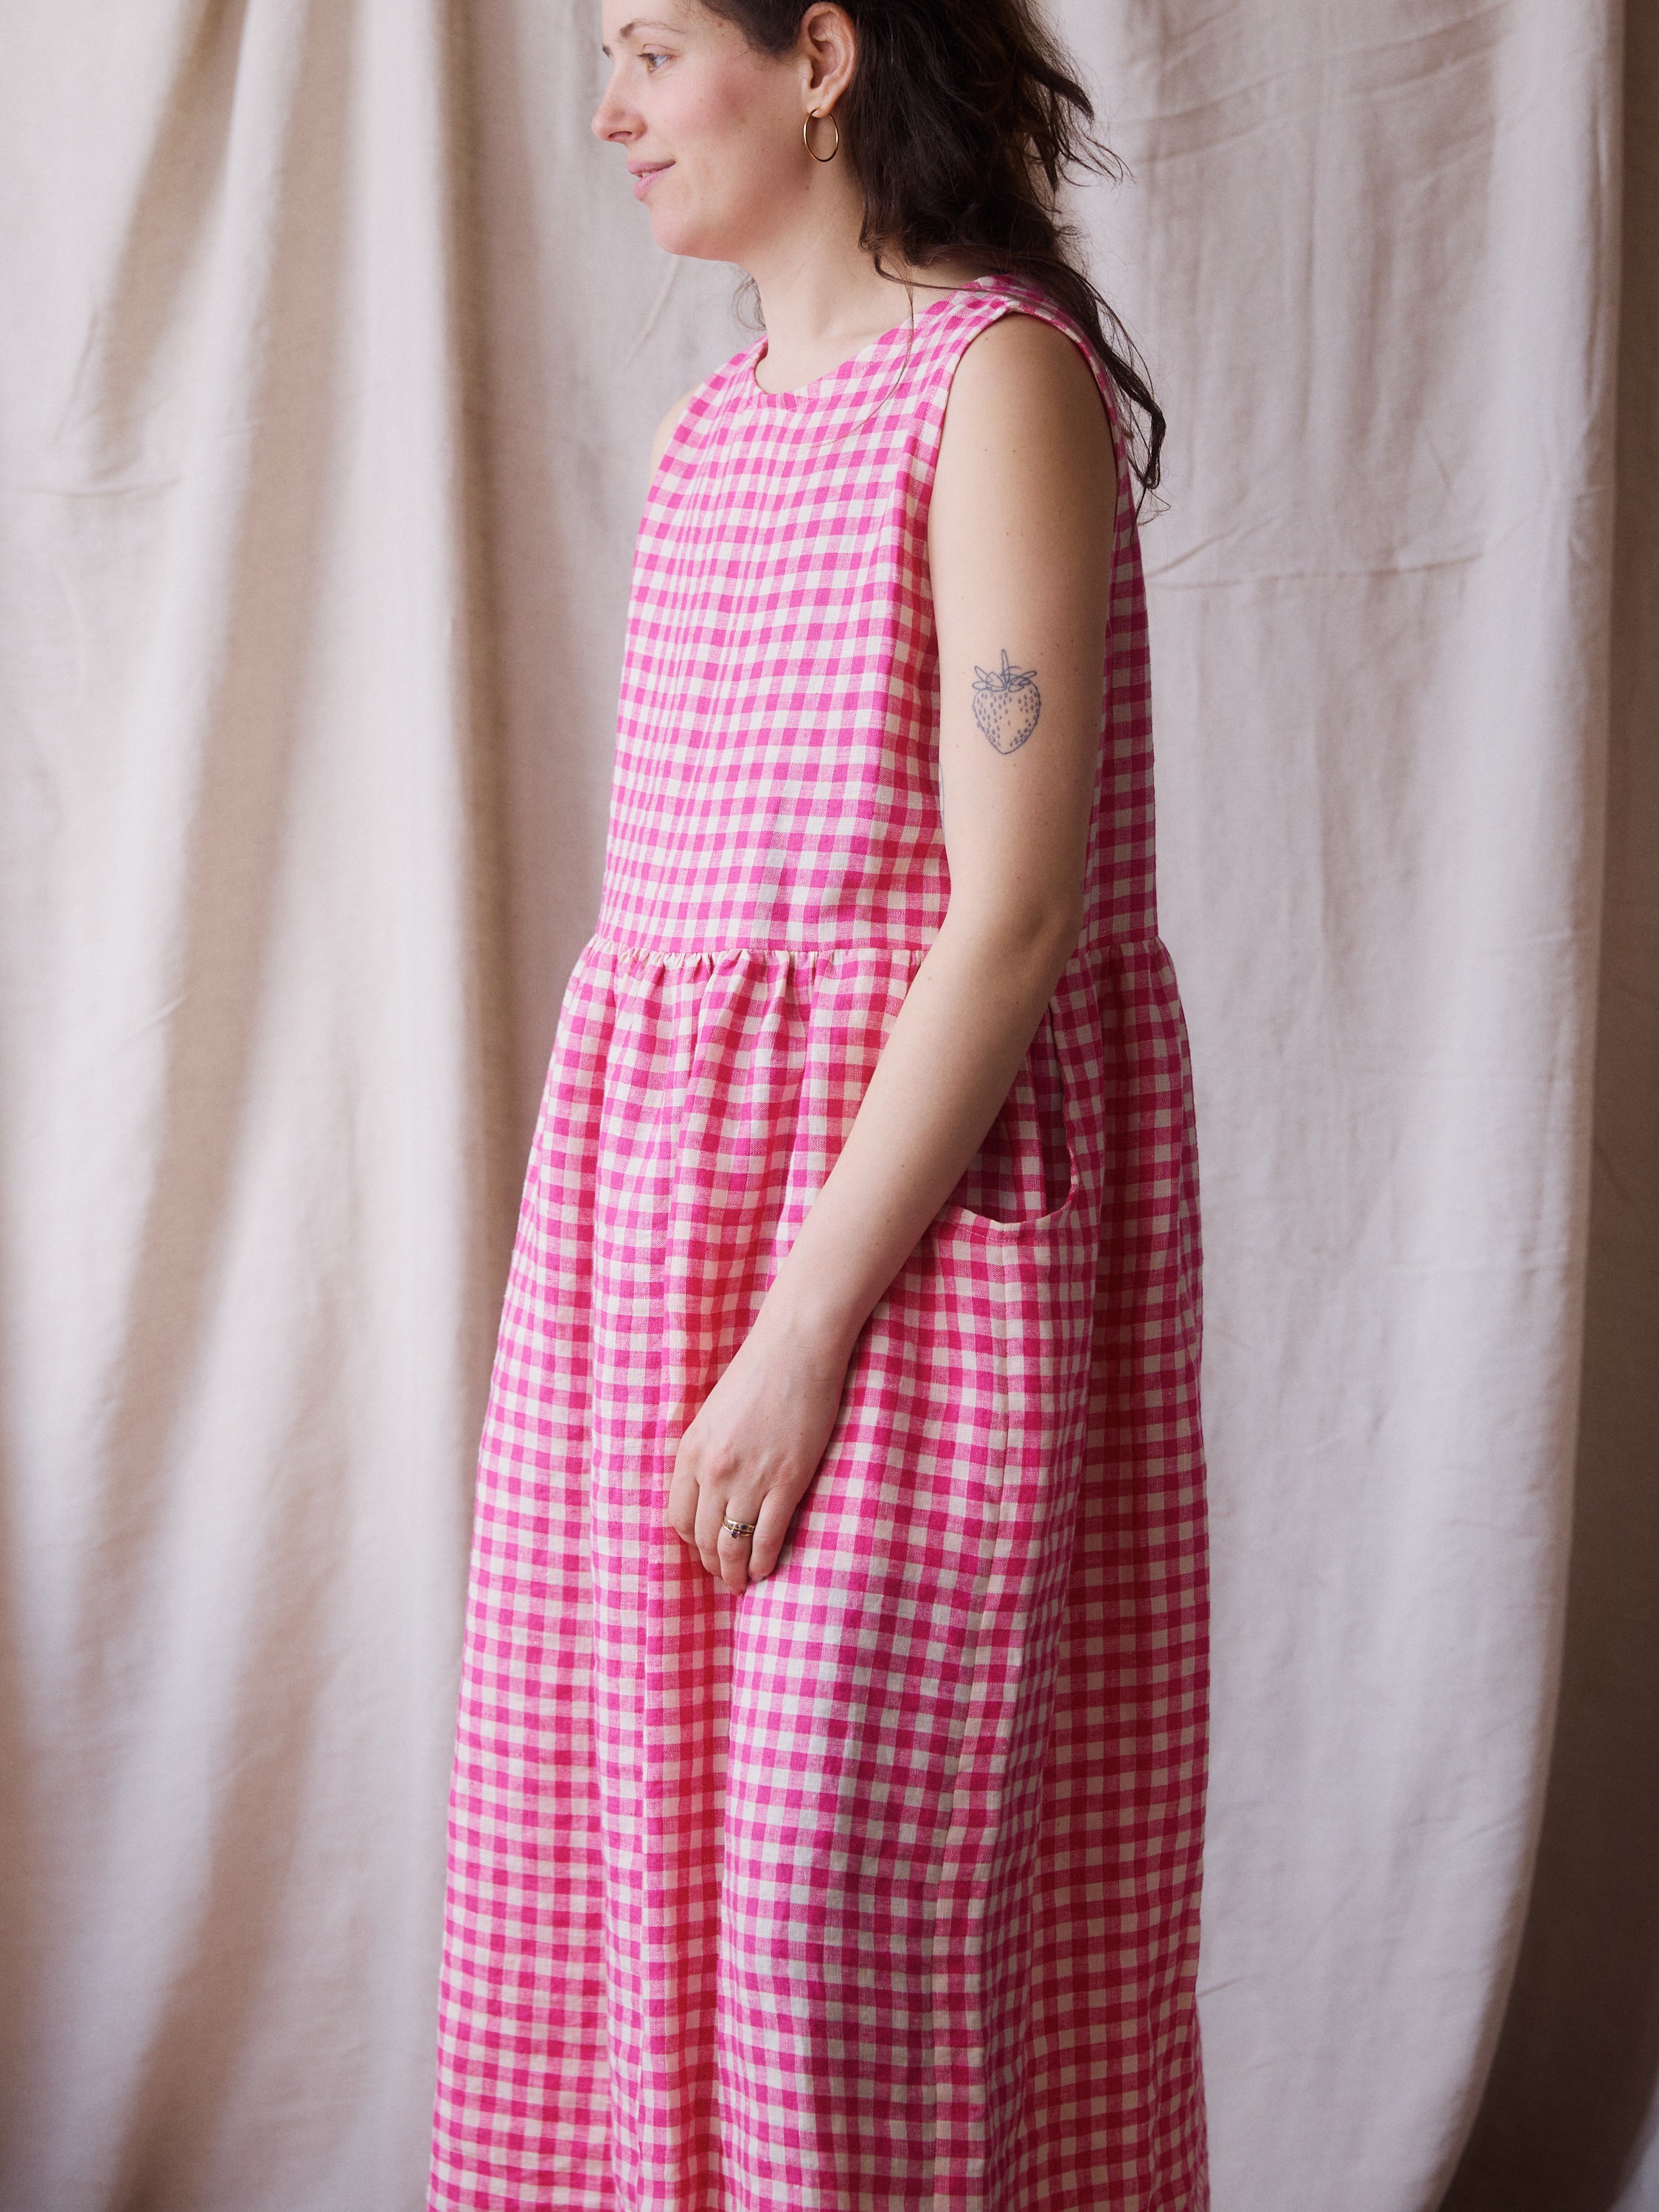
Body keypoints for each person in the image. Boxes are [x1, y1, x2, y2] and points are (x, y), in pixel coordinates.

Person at [428, 0, 1209, 2203]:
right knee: (635, 1889)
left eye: (651, 49)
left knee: (831, 1921)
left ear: (824, 57)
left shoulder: (995, 384)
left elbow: (1011, 919)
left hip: (900, 1256)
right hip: (657, 1256)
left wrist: (796, 1337)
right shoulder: (709, 434)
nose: (611, 112)